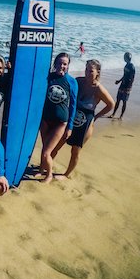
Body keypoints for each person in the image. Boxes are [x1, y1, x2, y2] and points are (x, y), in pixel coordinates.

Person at [51, 59, 114, 179]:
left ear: (97, 73)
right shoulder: (78, 81)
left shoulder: (98, 89)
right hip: (72, 117)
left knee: (75, 151)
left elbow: (111, 104)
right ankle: (45, 166)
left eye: (91, 71)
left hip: (86, 122)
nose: (87, 73)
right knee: (58, 143)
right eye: (86, 69)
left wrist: (96, 116)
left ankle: (66, 174)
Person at [37, 52, 78, 184]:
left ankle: (49, 175)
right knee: (45, 148)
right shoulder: (48, 77)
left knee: (46, 152)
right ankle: (42, 170)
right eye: (59, 63)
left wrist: (70, 127)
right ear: (55, 64)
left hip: (60, 122)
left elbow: (73, 105)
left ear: (68, 66)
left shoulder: (72, 82)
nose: (62, 66)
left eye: (65, 64)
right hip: (45, 119)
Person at [110, 52, 136, 120]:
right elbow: (125, 75)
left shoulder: (132, 67)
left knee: (124, 102)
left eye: (125, 57)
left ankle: (121, 116)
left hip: (127, 87)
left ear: (127, 58)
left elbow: (132, 78)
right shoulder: (126, 65)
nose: (124, 58)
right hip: (122, 84)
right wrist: (119, 81)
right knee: (118, 100)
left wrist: (128, 87)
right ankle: (113, 114)